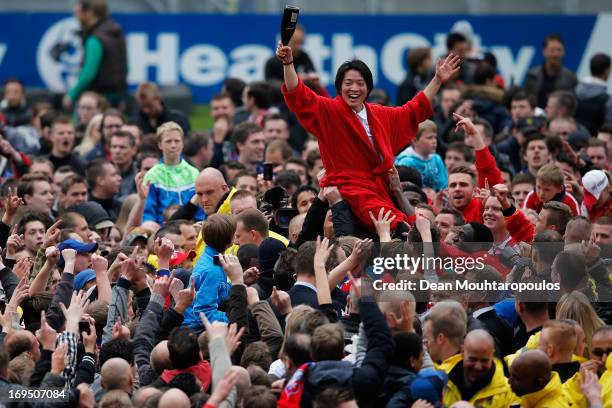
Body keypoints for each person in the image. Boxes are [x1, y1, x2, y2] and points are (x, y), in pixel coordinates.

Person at [277, 40, 460, 234]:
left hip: (381, 189)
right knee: (397, 226)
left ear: (368, 88)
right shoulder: (328, 110)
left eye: (360, 83)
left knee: (417, 226)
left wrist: (437, 79)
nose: (354, 88)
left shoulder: (380, 114)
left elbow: (413, 110)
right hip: (350, 189)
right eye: (348, 83)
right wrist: (288, 64)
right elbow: (299, 95)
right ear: (339, 87)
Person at [65, 0, 127, 108]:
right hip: (116, 98)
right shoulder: (116, 33)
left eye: (78, 10)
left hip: (95, 101)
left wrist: (72, 94)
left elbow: (89, 72)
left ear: (89, 12)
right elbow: (126, 68)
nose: (75, 14)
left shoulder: (95, 38)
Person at [143, 121, 204, 227]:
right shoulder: (152, 175)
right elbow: (148, 214)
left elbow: (201, 208)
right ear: (159, 144)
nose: (173, 145)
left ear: (183, 143)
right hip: (163, 229)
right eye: (168, 141)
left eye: (177, 141)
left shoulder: (194, 173)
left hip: (192, 228)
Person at [442, 330, 514, 407]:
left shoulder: (509, 391)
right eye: (473, 359)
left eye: (484, 361)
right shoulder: (440, 379)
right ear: (462, 352)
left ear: (492, 355)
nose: (478, 367)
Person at [524, 34, 577, 108]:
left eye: (559, 50)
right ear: (544, 51)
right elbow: (526, 101)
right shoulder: (532, 75)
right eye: (552, 50)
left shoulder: (571, 78)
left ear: (564, 52)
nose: (556, 54)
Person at [395, 120, 447, 191]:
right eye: (429, 138)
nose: (434, 141)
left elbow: (444, 184)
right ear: (415, 141)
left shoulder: (436, 159)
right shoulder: (406, 162)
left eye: (435, 137)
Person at [575, 53, 612, 135]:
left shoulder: (572, 93)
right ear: (606, 71)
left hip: (569, 143)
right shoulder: (608, 101)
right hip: (594, 145)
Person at [109, 130, 138, 199]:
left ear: (134, 150)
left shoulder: (139, 174)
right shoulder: (102, 173)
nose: (117, 151)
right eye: (114, 147)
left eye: (122, 147)